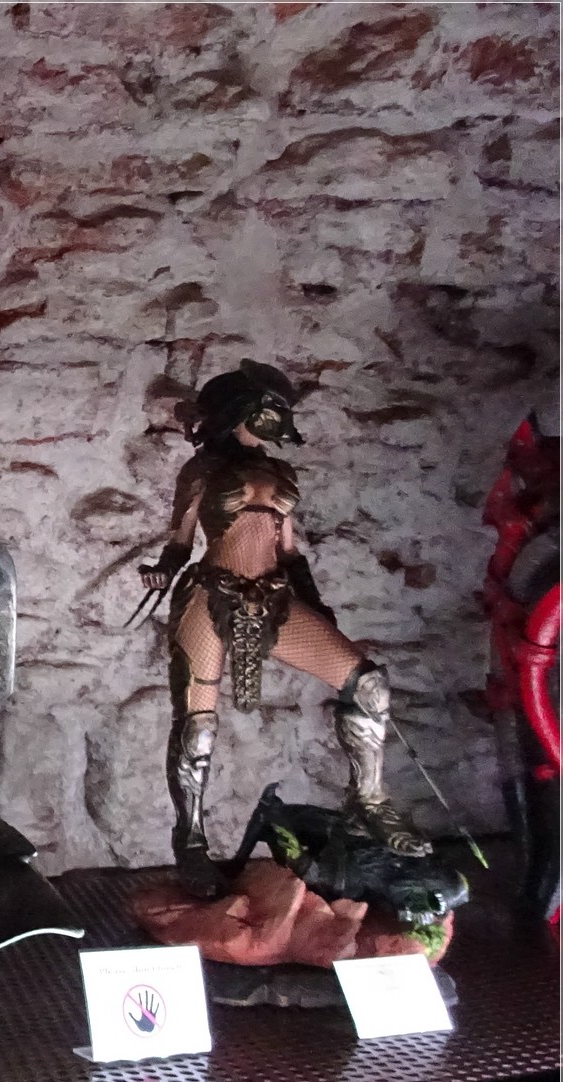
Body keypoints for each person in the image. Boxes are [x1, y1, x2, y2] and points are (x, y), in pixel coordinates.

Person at [139, 359, 429, 894]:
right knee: (197, 725)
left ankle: (369, 800)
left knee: (367, 684)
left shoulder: (280, 474)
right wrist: (162, 570)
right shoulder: (201, 472)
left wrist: (316, 604)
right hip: (212, 594)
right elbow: (180, 542)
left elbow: (290, 553)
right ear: (241, 413)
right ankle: (192, 839)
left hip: (274, 597)